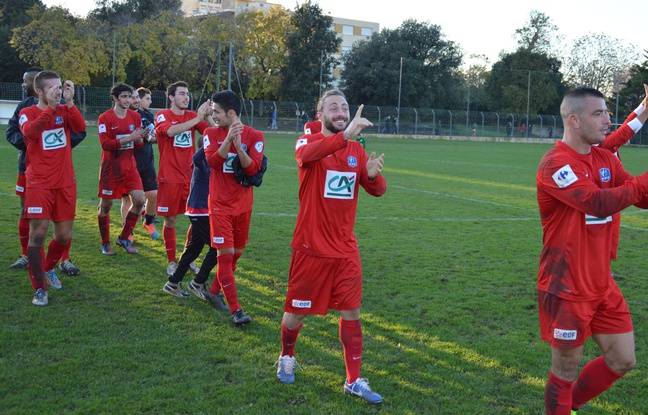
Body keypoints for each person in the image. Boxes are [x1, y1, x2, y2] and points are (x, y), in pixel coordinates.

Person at [536, 87, 648, 414]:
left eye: (608, 113)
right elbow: (597, 203)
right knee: (566, 370)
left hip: (602, 284)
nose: (607, 120)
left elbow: (640, 197)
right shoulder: (555, 164)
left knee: (623, 359)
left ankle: (568, 406)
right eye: (598, 114)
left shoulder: (602, 158)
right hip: (567, 287)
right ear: (573, 120)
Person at [275, 90, 386, 405]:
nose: (341, 112)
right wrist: (347, 134)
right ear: (320, 112)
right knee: (296, 314)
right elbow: (307, 157)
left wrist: (374, 176)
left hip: (345, 248)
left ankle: (353, 380)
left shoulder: (355, 150)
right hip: (311, 248)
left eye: (345, 108)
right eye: (334, 107)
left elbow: (377, 189)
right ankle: (287, 355)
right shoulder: (306, 141)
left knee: (351, 311)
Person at [7, 67, 85, 276]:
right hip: (31, 169)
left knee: (62, 228)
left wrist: (65, 147)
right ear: (39, 89)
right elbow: (16, 133)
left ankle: (62, 260)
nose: (24, 84)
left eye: (26, 80)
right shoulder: (24, 108)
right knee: (31, 217)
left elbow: (80, 130)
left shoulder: (63, 107)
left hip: (61, 173)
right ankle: (28, 257)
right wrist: (34, 147)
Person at [203, 90, 265, 325]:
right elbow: (213, 163)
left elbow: (253, 170)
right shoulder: (210, 133)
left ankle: (213, 290)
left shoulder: (255, 135)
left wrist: (239, 148)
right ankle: (236, 311)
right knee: (226, 256)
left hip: (243, 206)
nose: (213, 116)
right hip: (219, 205)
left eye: (216, 112)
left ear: (231, 113)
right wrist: (228, 140)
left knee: (235, 254)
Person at [154, 81, 215, 276]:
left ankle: (186, 258)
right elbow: (170, 131)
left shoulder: (191, 117)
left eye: (187, 94)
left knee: (195, 220)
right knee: (170, 219)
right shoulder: (162, 115)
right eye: (181, 94)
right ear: (171, 97)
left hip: (191, 178)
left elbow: (212, 133)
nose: (186, 97)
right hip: (169, 177)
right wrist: (197, 118)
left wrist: (207, 117)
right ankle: (171, 261)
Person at [162, 142, 226, 312]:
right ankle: (197, 282)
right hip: (199, 211)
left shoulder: (217, 162)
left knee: (194, 249)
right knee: (217, 247)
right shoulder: (202, 159)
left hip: (206, 211)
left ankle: (173, 283)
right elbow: (197, 157)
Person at [96, 83, 147, 255]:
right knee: (106, 206)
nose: (128, 100)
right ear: (116, 98)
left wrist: (141, 138)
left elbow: (138, 145)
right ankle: (105, 243)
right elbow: (105, 144)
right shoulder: (105, 118)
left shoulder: (135, 117)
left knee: (140, 200)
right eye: (124, 96)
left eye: (130, 96)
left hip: (129, 167)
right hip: (111, 169)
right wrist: (129, 137)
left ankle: (124, 237)